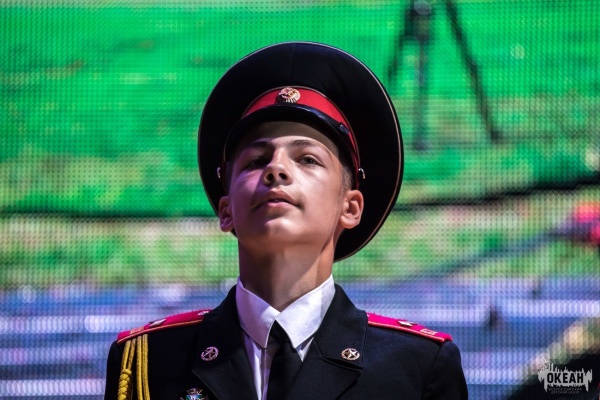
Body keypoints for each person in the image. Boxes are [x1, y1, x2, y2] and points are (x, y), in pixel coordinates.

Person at [104, 42, 468, 400]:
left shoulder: (416, 368)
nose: (276, 169)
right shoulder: (149, 364)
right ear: (226, 210)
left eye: (307, 159)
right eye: (255, 161)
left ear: (350, 207)